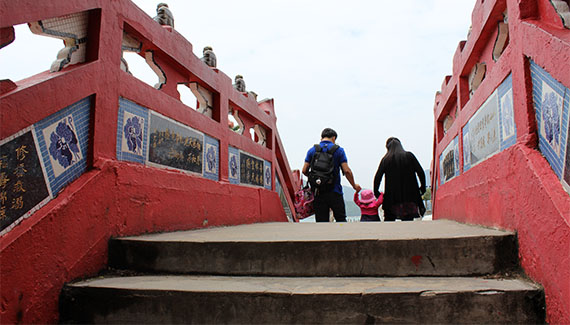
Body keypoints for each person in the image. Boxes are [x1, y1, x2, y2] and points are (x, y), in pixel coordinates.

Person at [302, 128, 361, 222]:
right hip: (335, 191)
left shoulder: (312, 150)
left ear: (321, 138)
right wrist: (354, 185)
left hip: (318, 192)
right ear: (334, 138)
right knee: (341, 220)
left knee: (321, 223)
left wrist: (315, 179)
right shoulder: (339, 151)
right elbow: (347, 171)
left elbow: (304, 170)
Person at [373, 137, 426, 221]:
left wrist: (377, 193)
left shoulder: (386, 159)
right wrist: (422, 188)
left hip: (391, 199)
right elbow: (421, 172)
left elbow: (377, 177)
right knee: (408, 223)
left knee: (389, 224)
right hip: (409, 198)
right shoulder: (409, 156)